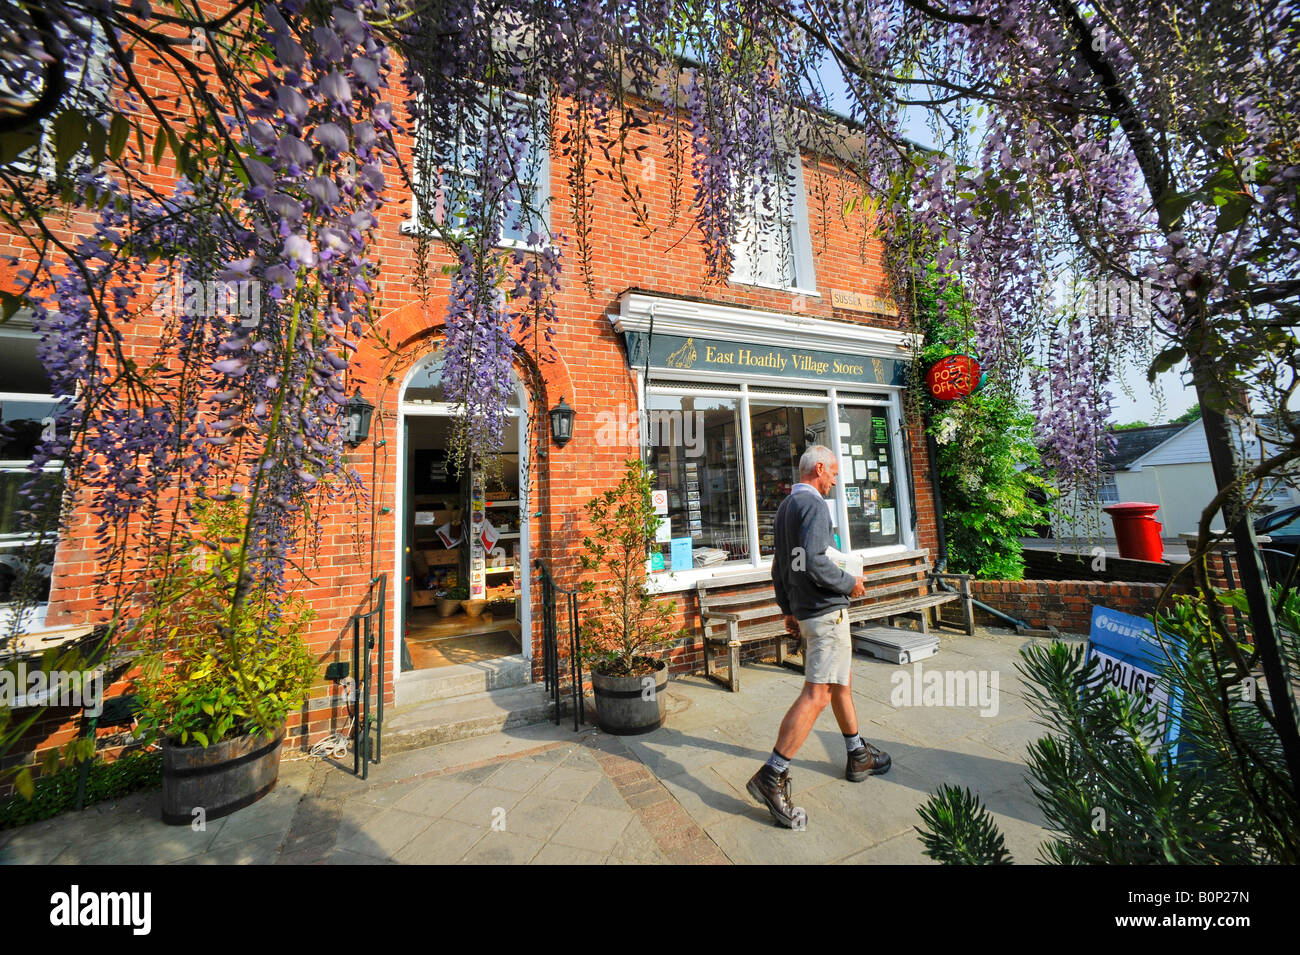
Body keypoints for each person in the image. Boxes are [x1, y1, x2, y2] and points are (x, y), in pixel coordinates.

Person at [746, 445, 891, 828]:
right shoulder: (813, 506)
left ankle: (857, 752)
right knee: (817, 694)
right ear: (819, 468)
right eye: (833, 474)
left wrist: (788, 609)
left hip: (807, 612)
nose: (835, 481)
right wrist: (850, 583)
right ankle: (771, 775)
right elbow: (813, 559)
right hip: (826, 614)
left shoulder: (784, 509)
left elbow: (782, 565)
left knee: (840, 684)